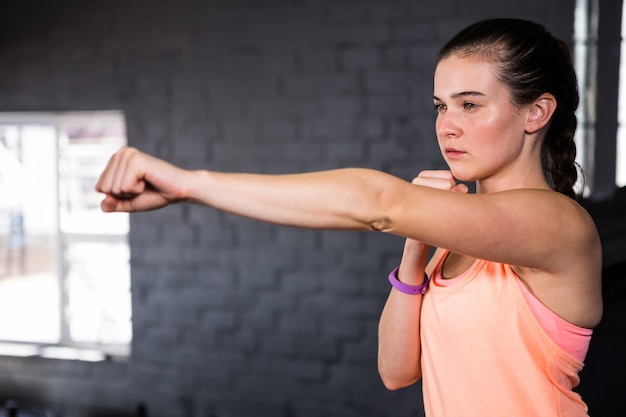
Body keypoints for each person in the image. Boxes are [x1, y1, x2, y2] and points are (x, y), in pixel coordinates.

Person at [96, 18, 602, 417]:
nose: (447, 126)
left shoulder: (558, 225)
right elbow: (395, 370)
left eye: (470, 104)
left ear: (535, 113)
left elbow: (379, 203)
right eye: (440, 106)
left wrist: (190, 184)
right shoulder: (454, 234)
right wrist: (415, 246)